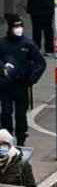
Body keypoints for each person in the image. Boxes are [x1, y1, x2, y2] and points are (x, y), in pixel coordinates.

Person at [0, 15, 46, 146]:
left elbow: (40, 63)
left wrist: (31, 78)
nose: (18, 29)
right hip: (5, 86)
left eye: (20, 26)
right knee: (6, 113)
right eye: (16, 26)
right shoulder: (2, 44)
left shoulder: (27, 44)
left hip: (21, 85)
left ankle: (21, 139)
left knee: (21, 115)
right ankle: (6, 139)